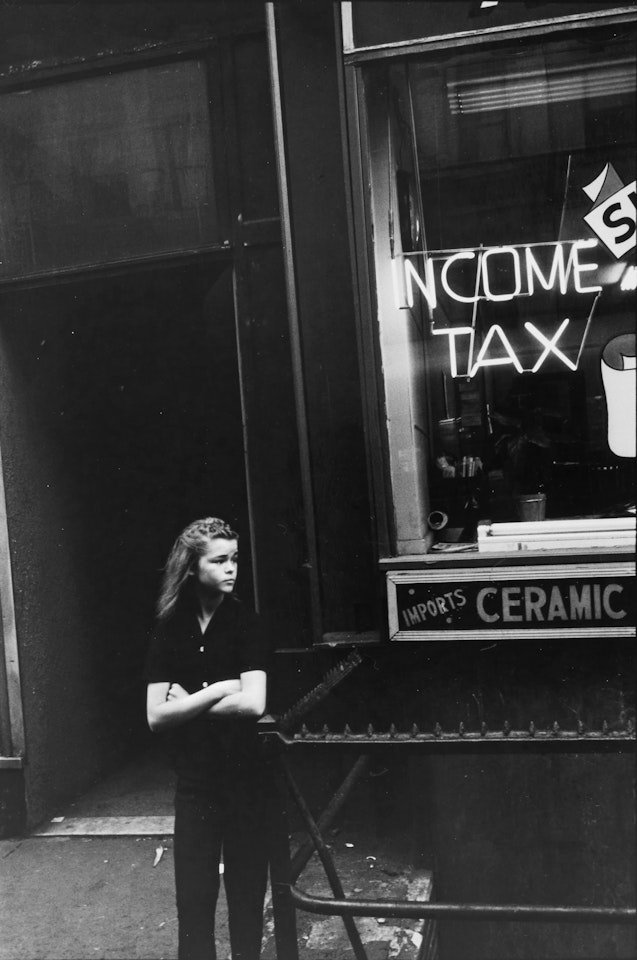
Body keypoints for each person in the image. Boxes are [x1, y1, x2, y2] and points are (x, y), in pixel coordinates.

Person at [145, 517, 270, 960]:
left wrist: (190, 703)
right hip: (195, 783)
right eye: (219, 560)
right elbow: (156, 716)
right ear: (192, 567)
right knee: (194, 902)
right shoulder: (170, 626)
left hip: (246, 780)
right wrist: (219, 690)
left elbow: (253, 703)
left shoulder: (245, 622)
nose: (231, 568)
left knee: (246, 898)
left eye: (234, 558)